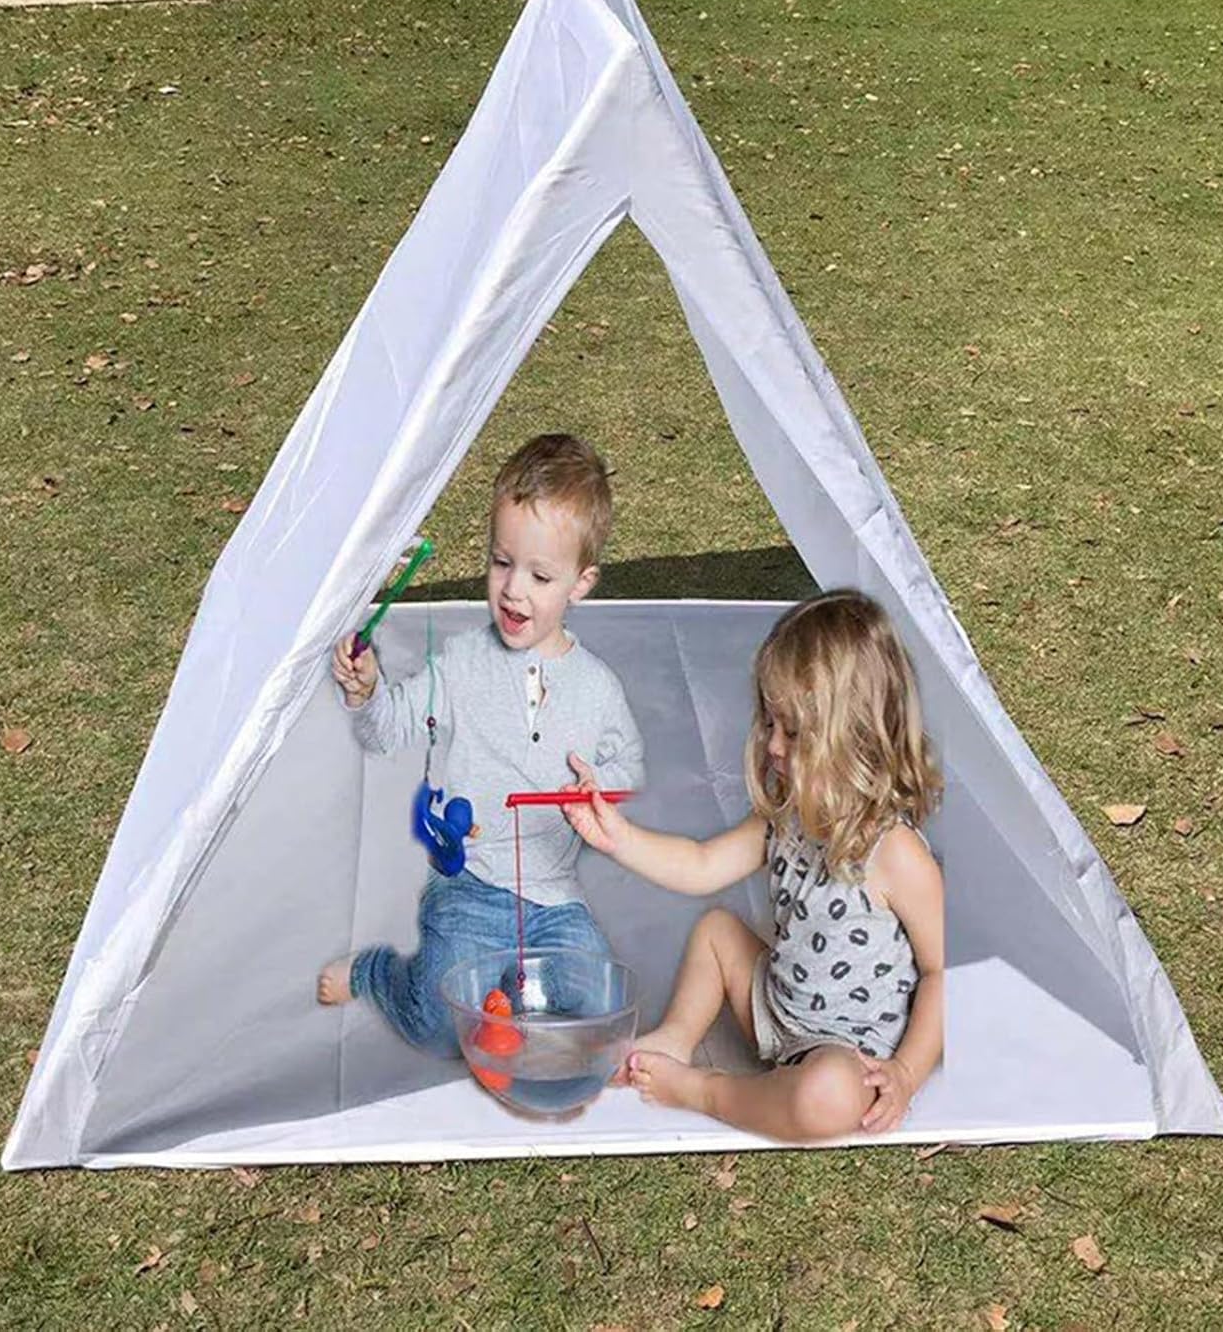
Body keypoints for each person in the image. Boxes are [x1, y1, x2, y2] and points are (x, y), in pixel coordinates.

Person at [565, 590, 943, 1140]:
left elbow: (939, 973)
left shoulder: (896, 852)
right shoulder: (788, 815)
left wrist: (905, 1074)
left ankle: (703, 1090)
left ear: (856, 735)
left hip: (846, 1057)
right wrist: (617, 837)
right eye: (770, 723)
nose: (773, 746)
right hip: (774, 1015)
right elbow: (701, 864)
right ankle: (677, 1038)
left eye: (794, 732)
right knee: (718, 930)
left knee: (827, 1096)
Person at [318, 433, 645, 1054]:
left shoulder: (598, 686)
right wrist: (368, 692)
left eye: (540, 575)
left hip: (555, 899)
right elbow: (388, 729)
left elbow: (627, 763)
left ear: (580, 583)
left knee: (599, 1008)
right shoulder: (462, 663)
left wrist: (598, 784)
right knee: (439, 1024)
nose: (513, 589)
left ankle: (507, 997)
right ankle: (378, 974)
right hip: (470, 888)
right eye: (501, 563)